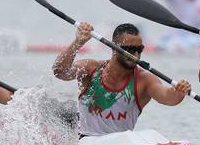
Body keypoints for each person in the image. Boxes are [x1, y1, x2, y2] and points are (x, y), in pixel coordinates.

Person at [53, 22, 192, 136]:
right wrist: (78, 42)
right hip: (84, 140)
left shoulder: (145, 80)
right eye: (130, 49)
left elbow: (167, 97)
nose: (136, 55)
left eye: (139, 49)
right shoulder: (91, 69)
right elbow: (59, 72)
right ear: (114, 48)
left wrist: (178, 92)